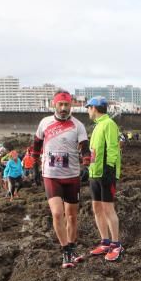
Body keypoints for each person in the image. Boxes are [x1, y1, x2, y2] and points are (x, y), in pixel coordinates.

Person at [33, 91, 90, 268]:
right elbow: (36, 146)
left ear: (71, 105)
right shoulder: (45, 123)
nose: (64, 108)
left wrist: (86, 165)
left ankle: (72, 249)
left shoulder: (78, 125)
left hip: (72, 176)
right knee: (57, 213)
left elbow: (85, 149)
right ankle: (66, 252)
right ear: (54, 105)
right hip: (51, 175)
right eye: (60, 105)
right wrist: (34, 169)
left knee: (72, 216)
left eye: (67, 105)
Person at [84, 96, 124, 262]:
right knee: (97, 208)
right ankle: (105, 242)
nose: (87, 111)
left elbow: (113, 148)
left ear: (94, 108)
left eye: (88, 108)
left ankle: (116, 245)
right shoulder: (98, 125)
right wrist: (88, 168)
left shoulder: (109, 124)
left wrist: (109, 169)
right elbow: (95, 151)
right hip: (94, 172)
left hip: (105, 173)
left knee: (108, 209)